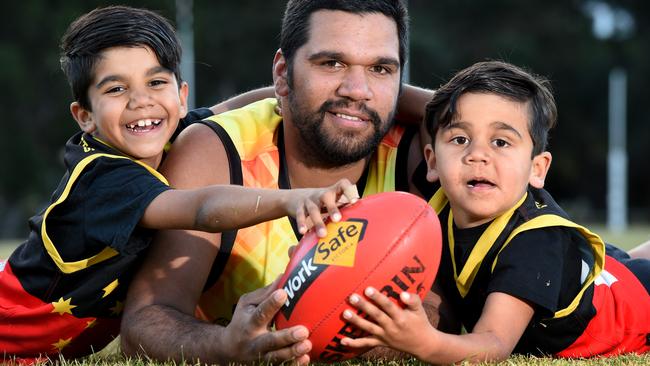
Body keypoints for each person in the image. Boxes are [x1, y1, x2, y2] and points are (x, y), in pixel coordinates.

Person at [0, 5, 359, 362]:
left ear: (182, 96)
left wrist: (291, 94)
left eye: (156, 82)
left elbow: (237, 105)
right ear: (85, 116)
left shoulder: (171, 133)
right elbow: (201, 208)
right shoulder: (101, 177)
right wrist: (290, 200)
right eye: (116, 89)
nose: (141, 101)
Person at [120, 0, 444, 364]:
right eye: (331, 63)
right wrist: (224, 345)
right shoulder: (217, 152)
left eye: (380, 68)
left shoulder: (424, 157)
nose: (357, 90)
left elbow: (438, 313)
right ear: (281, 73)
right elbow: (143, 323)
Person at [339, 60, 650, 363]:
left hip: (632, 309)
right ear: (432, 161)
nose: (477, 155)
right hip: (595, 272)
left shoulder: (534, 242)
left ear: (537, 169)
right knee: (630, 262)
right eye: (460, 139)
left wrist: (425, 341)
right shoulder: (434, 213)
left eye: (500, 142)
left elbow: (495, 343)